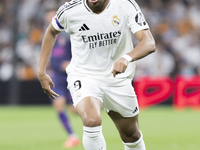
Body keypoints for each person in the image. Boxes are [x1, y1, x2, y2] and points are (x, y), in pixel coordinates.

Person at [38, 0, 156, 150]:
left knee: (131, 134)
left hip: (117, 78)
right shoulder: (70, 10)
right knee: (91, 120)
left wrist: (127, 58)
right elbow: (51, 31)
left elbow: (149, 42)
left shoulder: (125, 5)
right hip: (84, 76)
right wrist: (41, 71)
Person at [43, 4, 80, 148]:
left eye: (53, 16)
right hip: (56, 76)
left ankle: (91, 127)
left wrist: (70, 63)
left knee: (75, 110)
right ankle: (72, 136)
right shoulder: (47, 36)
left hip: (71, 75)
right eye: (48, 17)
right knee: (58, 104)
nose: (50, 20)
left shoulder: (68, 35)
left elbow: (80, 53)